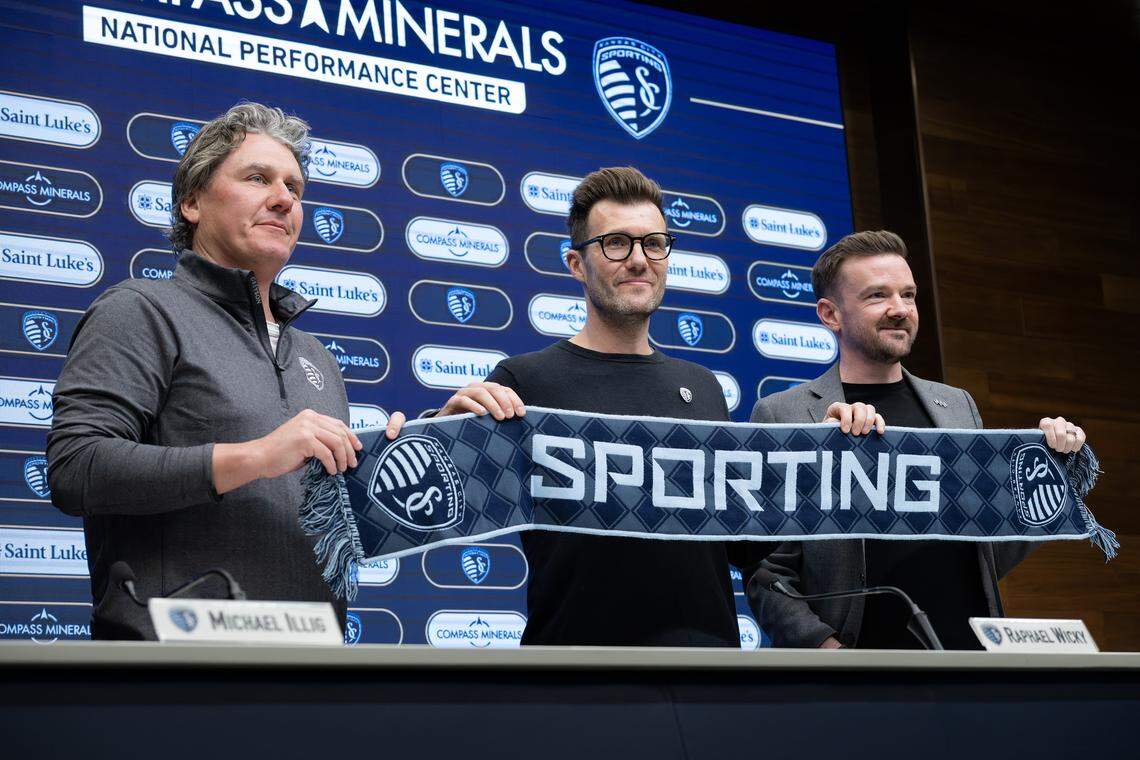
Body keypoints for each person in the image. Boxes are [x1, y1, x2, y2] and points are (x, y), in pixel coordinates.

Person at [47, 103, 406, 640]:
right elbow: (76, 467)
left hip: (314, 664)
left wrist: (432, 446)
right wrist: (257, 456)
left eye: (294, 187)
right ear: (192, 202)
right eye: (257, 178)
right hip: (179, 665)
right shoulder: (141, 311)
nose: (284, 199)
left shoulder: (318, 357)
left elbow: (338, 524)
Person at [432, 167, 769, 646]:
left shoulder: (703, 387)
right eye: (616, 243)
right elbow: (438, 503)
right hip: (574, 670)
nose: (639, 260)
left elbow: (749, 542)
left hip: (706, 668)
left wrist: (834, 448)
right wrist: (442, 434)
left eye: (654, 243)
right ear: (576, 264)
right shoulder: (524, 381)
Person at [747, 230, 1087, 649]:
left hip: (967, 656)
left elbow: (986, 554)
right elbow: (767, 571)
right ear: (830, 314)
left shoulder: (957, 406)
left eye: (907, 295)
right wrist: (825, 647)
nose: (899, 309)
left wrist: (1052, 469)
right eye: (877, 296)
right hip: (857, 665)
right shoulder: (783, 414)